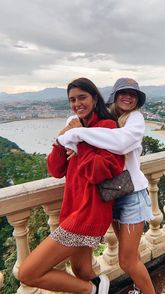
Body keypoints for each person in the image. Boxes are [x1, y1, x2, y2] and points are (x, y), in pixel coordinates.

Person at [18, 77, 125, 294]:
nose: (77, 104)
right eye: (72, 100)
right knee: (81, 270)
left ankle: (91, 291)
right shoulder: (75, 129)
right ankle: (96, 287)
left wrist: (79, 141)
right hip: (72, 210)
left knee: (27, 273)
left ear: (95, 98)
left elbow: (100, 172)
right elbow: (56, 170)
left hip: (89, 213)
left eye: (82, 97)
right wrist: (61, 139)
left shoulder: (107, 127)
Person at [57, 78, 156, 294]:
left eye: (132, 94)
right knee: (131, 255)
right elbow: (76, 119)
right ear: (114, 96)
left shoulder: (135, 118)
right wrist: (75, 130)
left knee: (127, 261)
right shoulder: (107, 118)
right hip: (111, 195)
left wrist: (77, 136)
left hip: (132, 195)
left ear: (138, 99)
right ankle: (139, 288)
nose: (128, 97)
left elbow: (120, 143)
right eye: (123, 93)